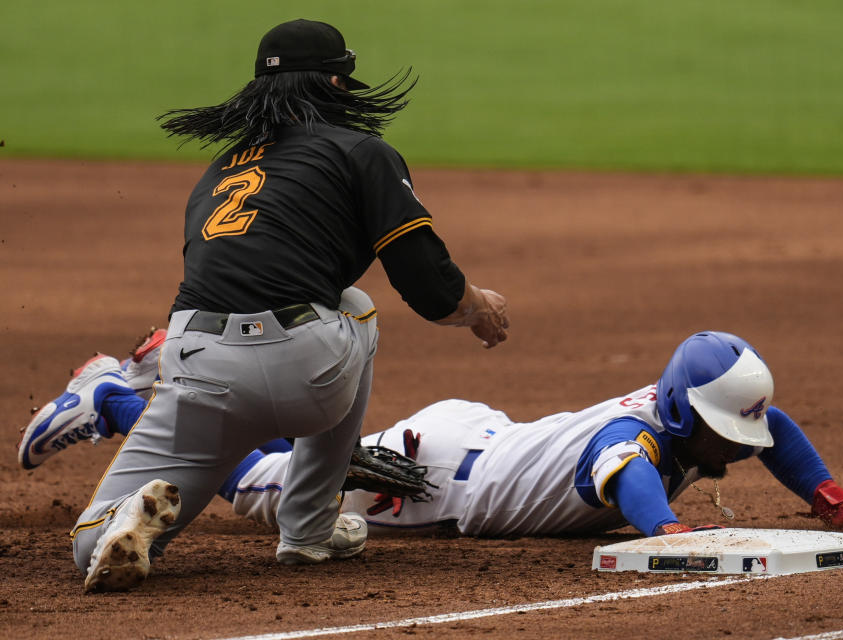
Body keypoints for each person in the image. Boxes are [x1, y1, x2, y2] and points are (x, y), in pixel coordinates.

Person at [24, 18, 509, 593]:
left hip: (196, 366)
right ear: (335, 83)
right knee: (357, 305)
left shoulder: (219, 170)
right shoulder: (362, 151)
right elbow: (431, 288)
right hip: (305, 369)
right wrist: (478, 308)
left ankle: (125, 510)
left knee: (90, 546)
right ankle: (307, 531)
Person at [21, 330, 843, 542]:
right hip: (433, 476)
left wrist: (830, 498)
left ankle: (155, 376)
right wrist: (668, 537)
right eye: (729, 429)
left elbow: (772, 430)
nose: (743, 444)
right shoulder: (637, 438)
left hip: (475, 438)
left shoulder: (686, 413)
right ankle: (113, 399)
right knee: (247, 480)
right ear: (691, 413)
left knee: (278, 463)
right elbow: (628, 476)